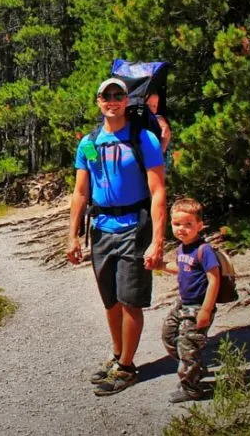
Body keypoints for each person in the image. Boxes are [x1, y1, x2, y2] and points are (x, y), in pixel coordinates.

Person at [67, 77, 167, 396]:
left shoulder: (144, 139)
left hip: (134, 229)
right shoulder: (89, 143)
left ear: (126, 100)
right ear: (98, 101)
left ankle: (126, 367)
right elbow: (81, 192)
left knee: (129, 301)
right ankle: (117, 355)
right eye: (106, 95)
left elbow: (158, 191)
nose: (112, 99)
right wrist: (72, 236)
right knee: (110, 300)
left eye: (117, 94)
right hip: (100, 230)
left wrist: (158, 241)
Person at [158, 198, 219, 403]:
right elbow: (182, 268)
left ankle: (192, 387)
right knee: (169, 337)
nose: (181, 229)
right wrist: (161, 266)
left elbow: (214, 280)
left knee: (187, 344)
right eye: (176, 224)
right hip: (182, 303)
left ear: (199, 226)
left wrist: (206, 310)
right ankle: (194, 367)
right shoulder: (182, 247)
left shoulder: (204, 250)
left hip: (198, 306)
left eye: (188, 224)